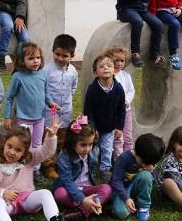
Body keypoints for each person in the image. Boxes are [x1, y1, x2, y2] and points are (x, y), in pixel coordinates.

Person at [0, 116, 79, 221]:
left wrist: (51, 135)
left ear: (24, 152)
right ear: (4, 143)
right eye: (9, 146)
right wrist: (3, 193)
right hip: (8, 204)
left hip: (27, 201)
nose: (12, 152)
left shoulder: (28, 160)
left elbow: (46, 151)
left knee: (45, 193)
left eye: (18, 150)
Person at [4, 42, 58, 184]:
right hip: (23, 120)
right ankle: (20, 170)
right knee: (22, 145)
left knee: (37, 146)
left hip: (39, 119)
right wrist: (7, 117)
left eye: (38, 58)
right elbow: (9, 98)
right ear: (22, 60)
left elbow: (46, 94)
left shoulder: (42, 75)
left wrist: (51, 103)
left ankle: (35, 171)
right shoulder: (18, 77)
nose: (36, 61)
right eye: (31, 58)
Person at [52, 116, 112, 221]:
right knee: (59, 194)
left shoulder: (94, 151)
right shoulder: (64, 156)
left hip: (88, 189)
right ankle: (92, 206)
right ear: (72, 142)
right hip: (69, 190)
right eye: (83, 145)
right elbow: (67, 182)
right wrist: (83, 199)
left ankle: (80, 213)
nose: (87, 149)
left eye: (90, 144)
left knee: (107, 188)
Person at [40, 34, 79, 180]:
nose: (60, 58)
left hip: (65, 111)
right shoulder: (46, 70)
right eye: (57, 54)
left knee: (62, 139)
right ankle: (47, 165)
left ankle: (61, 164)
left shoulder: (73, 71)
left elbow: (74, 87)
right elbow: (43, 90)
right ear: (52, 52)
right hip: (50, 111)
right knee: (49, 137)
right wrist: (50, 104)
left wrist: (68, 99)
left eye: (65, 55)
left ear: (72, 55)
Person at [83, 54, 125, 182]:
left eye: (109, 66)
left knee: (107, 149)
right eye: (101, 66)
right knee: (92, 150)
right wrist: (92, 128)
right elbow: (88, 110)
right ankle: (89, 168)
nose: (105, 68)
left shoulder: (118, 89)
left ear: (115, 70)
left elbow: (121, 110)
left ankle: (105, 169)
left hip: (109, 128)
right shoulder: (93, 90)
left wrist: (119, 127)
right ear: (96, 72)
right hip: (94, 128)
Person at [110, 133, 165, 221]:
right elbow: (116, 181)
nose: (144, 165)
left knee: (146, 175)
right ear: (136, 152)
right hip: (122, 190)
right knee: (121, 213)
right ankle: (125, 204)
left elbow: (151, 183)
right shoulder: (124, 158)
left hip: (135, 188)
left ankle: (144, 207)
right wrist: (126, 198)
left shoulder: (149, 160)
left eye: (149, 163)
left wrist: (151, 173)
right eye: (143, 162)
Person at [105, 46, 135, 160]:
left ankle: (129, 158)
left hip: (126, 111)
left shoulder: (126, 76)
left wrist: (127, 100)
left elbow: (131, 90)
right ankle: (118, 159)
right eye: (116, 60)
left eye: (122, 60)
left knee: (128, 136)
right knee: (118, 137)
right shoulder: (108, 76)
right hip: (113, 112)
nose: (119, 63)